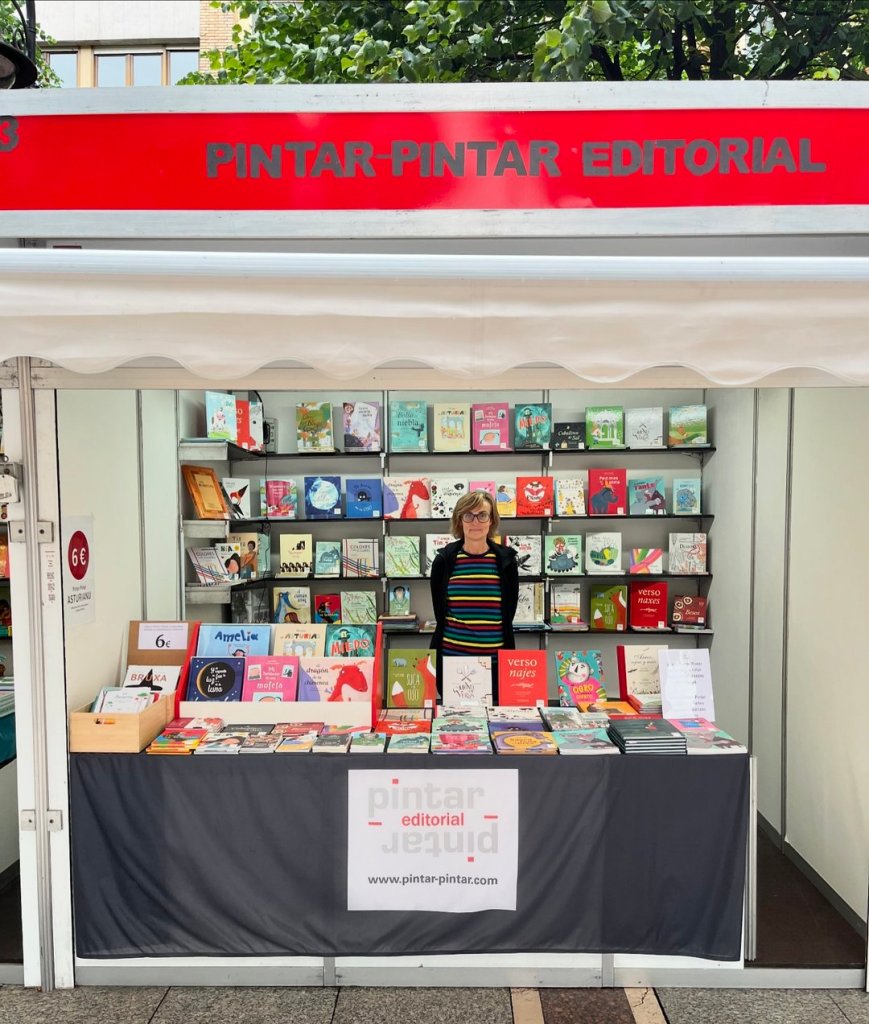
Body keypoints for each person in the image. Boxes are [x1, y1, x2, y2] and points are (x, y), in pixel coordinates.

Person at [429, 489, 519, 701]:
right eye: (468, 515)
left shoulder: (506, 562)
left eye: (482, 515)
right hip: (453, 664)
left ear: (492, 520)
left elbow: (509, 611)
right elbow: (440, 611)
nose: (475, 522)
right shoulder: (444, 561)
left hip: (494, 665)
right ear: (459, 520)